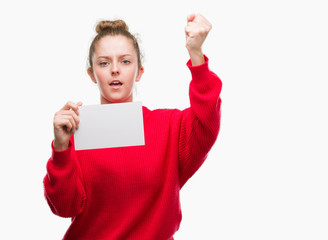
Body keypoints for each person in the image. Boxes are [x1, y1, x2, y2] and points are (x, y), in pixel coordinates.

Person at [43, 14, 222, 240]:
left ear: (139, 72)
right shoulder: (76, 134)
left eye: (125, 61)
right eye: (104, 62)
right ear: (92, 74)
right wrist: (60, 149)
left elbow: (207, 124)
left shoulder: (169, 127)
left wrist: (196, 54)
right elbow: (64, 207)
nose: (115, 69)